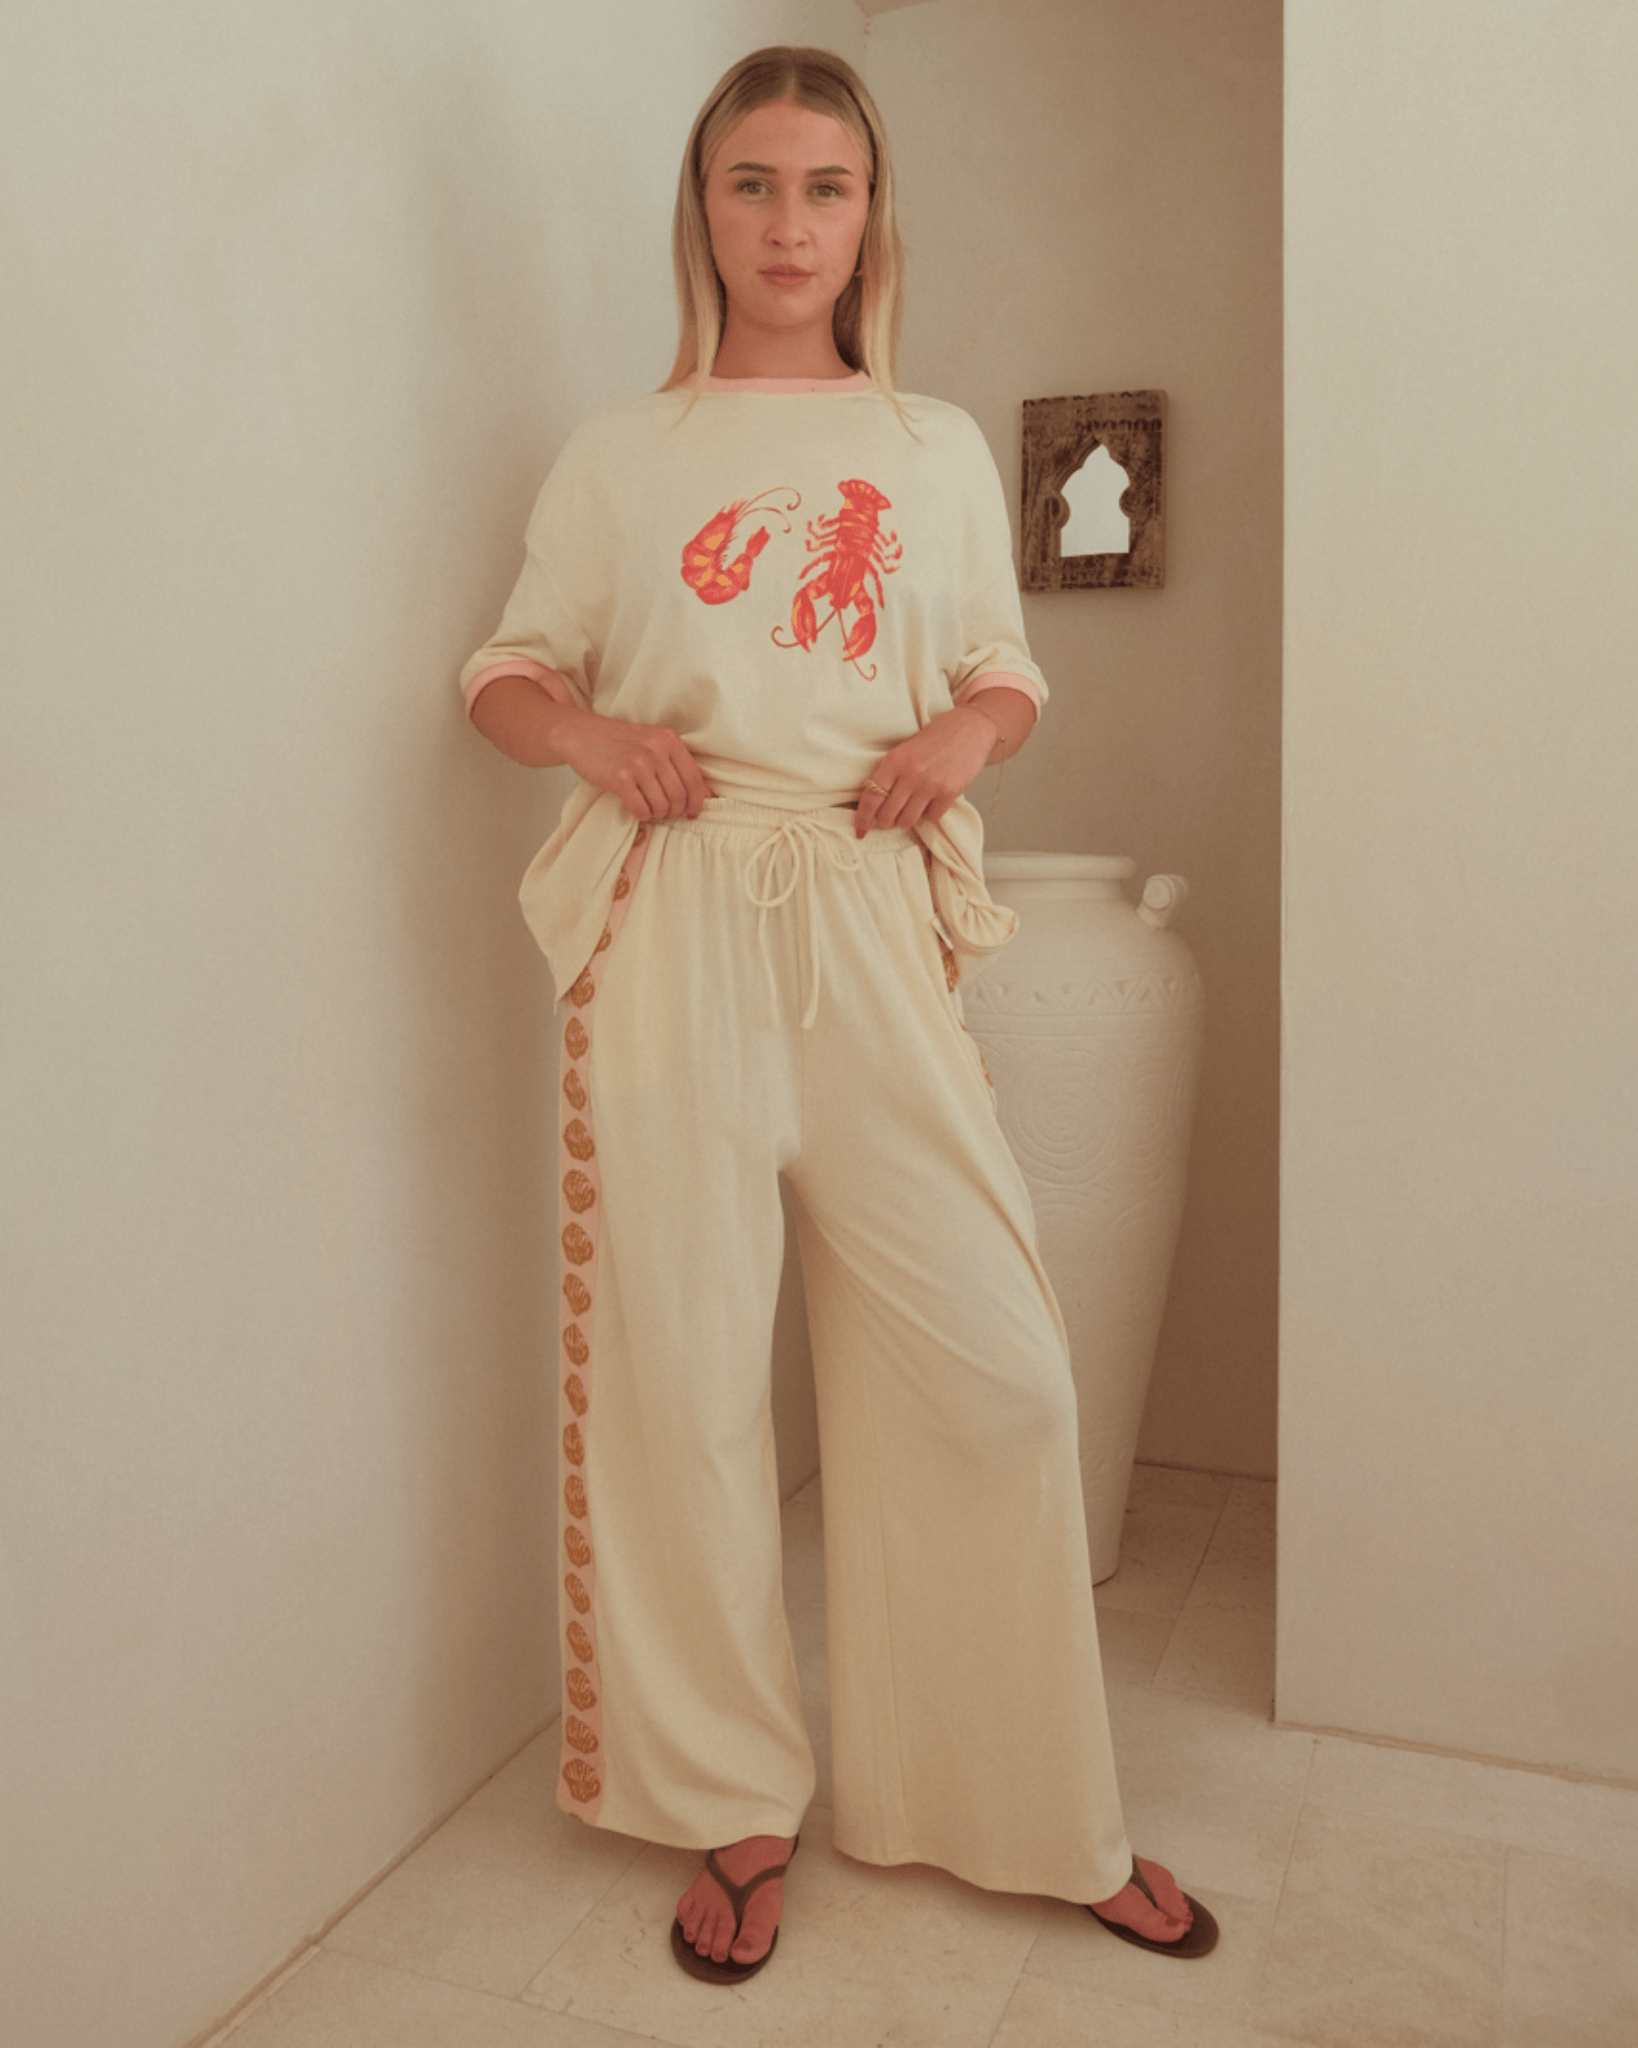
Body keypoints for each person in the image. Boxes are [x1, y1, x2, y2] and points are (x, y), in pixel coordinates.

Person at [461, 45, 1218, 1982]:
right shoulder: (621, 456)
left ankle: (1028, 1803)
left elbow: (998, 667)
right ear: (699, 209)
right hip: (680, 919)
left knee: (997, 1364)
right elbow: (504, 671)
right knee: (687, 1382)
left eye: (825, 187)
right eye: (751, 184)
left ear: (872, 216)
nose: (789, 225)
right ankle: (726, 1797)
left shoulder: (933, 443)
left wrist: (967, 729)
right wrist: (593, 733)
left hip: (872, 909)